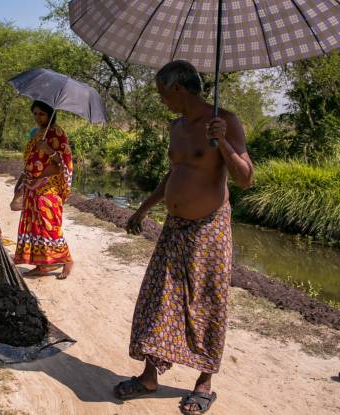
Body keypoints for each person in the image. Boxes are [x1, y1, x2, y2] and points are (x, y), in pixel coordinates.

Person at [113, 60, 253, 415]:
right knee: (157, 297)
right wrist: (143, 209)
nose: (161, 101)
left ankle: (204, 382)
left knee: (208, 302)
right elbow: (174, 173)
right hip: (174, 227)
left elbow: (245, 178)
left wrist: (223, 142)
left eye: (162, 94)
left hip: (209, 229)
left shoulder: (227, 122)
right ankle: (148, 376)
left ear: (178, 89)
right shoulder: (176, 127)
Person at [13, 101, 74, 280]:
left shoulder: (58, 133)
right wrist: (22, 180)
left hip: (48, 189)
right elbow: (30, 161)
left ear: (50, 115)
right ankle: (41, 266)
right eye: (35, 113)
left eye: (42, 114)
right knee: (35, 227)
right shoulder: (36, 133)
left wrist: (49, 150)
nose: (38, 117)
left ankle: (67, 260)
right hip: (32, 188)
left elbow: (63, 163)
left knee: (49, 226)